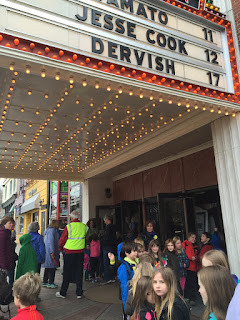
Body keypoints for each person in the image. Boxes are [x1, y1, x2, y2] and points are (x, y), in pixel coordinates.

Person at [56, 210, 88, 299]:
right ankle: (79, 292)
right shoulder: (84, 227)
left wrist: (59, 248)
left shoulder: (69, 227)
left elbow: (63, 239)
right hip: (80, 252)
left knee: (67, 272)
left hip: (69, 252)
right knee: (79, 271)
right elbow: (85, 237)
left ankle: (63, 292)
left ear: (72, 217)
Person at [117, 241, 138, 314]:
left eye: (136, 250)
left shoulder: (137, 263)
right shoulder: (124, 267)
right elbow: (124, 286)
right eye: (133, 251)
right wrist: (126, 304)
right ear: (126, 252)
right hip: (129, 298)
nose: (136, 253)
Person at [42, 220, 60, 288]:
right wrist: (52, 252)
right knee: (52, 267)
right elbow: (51, 241)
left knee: (48, 267)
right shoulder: (52, 231)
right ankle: (51, 282)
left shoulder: (48, 231)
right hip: (51, 251)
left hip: (48, 251)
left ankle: (45, 281)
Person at [182, 232, 198, 306]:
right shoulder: (185, 244)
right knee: (189, 284)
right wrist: (191, 257)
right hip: (188, 267)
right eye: (192, 237)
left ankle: (191, 298)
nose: (194, 239)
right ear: (188, 237)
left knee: (192, 283)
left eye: (195, 238)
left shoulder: (193, 245)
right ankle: (189, 298)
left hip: (193, 267)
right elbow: (184, 254)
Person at [101, 213, 117, 284]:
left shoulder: (108, 228)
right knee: (112, 262)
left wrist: (101, 241)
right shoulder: (114, 227)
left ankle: (107, 278)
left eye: (105, 220)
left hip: (107, 246)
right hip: (113, 246)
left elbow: (106, 238)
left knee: (106, 262)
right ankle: (112, 276)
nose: (104, 221)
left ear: (107, 220)